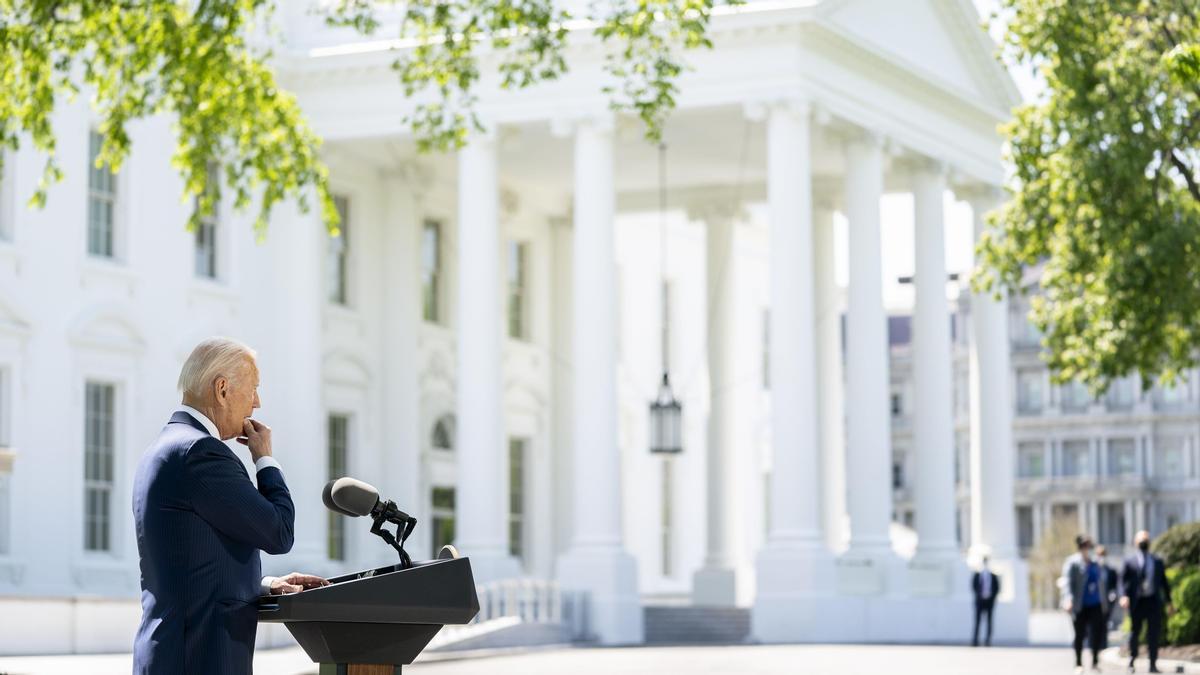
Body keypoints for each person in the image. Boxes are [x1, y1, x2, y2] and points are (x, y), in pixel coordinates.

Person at [133, 338, 329, 674]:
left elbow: (190, 564)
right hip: (197, 659)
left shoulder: (165, 448)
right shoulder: (201, 454)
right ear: (222, 390)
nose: (257, 403)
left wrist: (263, 585)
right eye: (253, 389)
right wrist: (264, 457)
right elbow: (279, 533)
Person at [1121, 530, 1173, 674]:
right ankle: (1132, 660)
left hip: (1152, 602)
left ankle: (1152, 664)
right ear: (1135, 542)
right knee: (1135, 633)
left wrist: (1169, 602)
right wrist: (1124, 596)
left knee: (1153, 634)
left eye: (1146, 540)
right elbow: (1122, 581)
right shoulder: (1129, 561)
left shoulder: (1157, 561)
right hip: (1137, 603)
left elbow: (1164, 583)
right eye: (1141, 540)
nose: (1143, 543)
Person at [1062, 535, 1108, 674]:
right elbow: (1068, 584)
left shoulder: (1095, 563)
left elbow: (1102, 583)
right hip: (1080, 605)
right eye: (1085, 546)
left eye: (1089, 546)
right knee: (1079, 635)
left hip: (1095, 604)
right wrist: (1068, 599)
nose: (1087, 549)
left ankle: (1094, 661)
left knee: (1096, 633)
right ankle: (1078, 663)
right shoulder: (1073, 563)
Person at [971, 556, 1001, 647]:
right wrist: (979, 596)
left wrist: (991, 598)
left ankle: (988, 641)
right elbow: (974, 587)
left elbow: (997, 588)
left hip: (989, 602)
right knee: (977, 621)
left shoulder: (993, 576)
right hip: (979, 602)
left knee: (989, 621)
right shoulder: (977, 575)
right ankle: (975, 641)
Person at [1096, 545, 1120, 650]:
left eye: (1103, 555)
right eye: (1100, 555)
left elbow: (1115, 585)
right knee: (1096, 624)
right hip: (1095, 602)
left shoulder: (1111, 571)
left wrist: (1113, 594)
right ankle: (1095, 644)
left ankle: (1103, 644)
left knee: (1105, 623)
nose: (1102, 557)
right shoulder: (1093, 569)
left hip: (1107, 602)